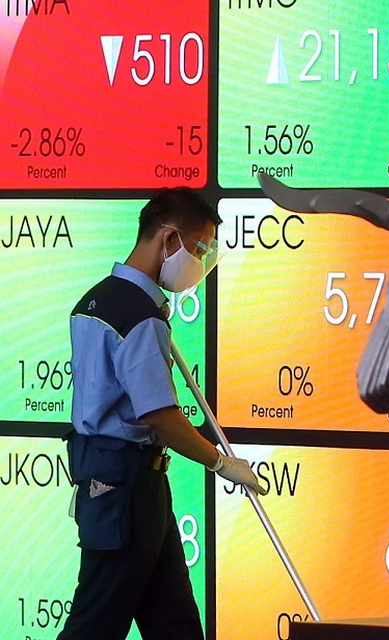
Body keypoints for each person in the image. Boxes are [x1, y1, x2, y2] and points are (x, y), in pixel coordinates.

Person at [58, 188, 266, 640]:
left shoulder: (94, 301)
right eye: (200, 249)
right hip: (125, 487)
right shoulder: (140, 315)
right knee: (95, 624)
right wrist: (220, 462)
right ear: (169, 239)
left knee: (175, 624)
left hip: (125, 482)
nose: (201, 262)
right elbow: (160, 416)